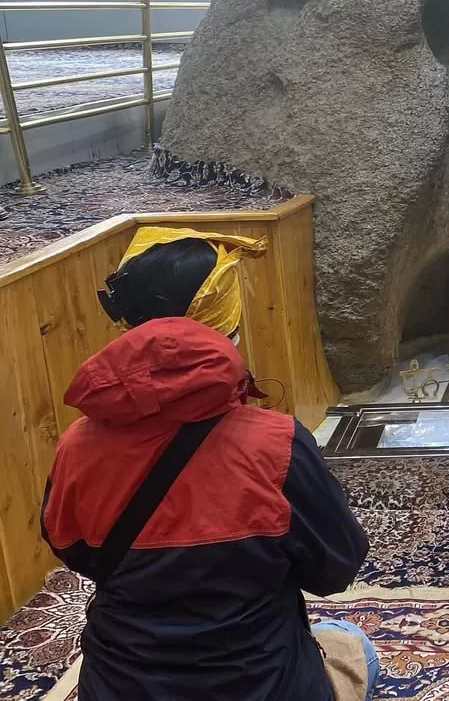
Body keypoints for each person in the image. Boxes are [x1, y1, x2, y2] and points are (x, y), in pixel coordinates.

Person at [40, 227, 378, 701]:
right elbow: (334, 569)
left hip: (123, 686)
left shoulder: (76, 444)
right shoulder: (276, 444)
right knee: (354, 643)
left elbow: (69, 546)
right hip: (259, 684)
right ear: (227, 327)